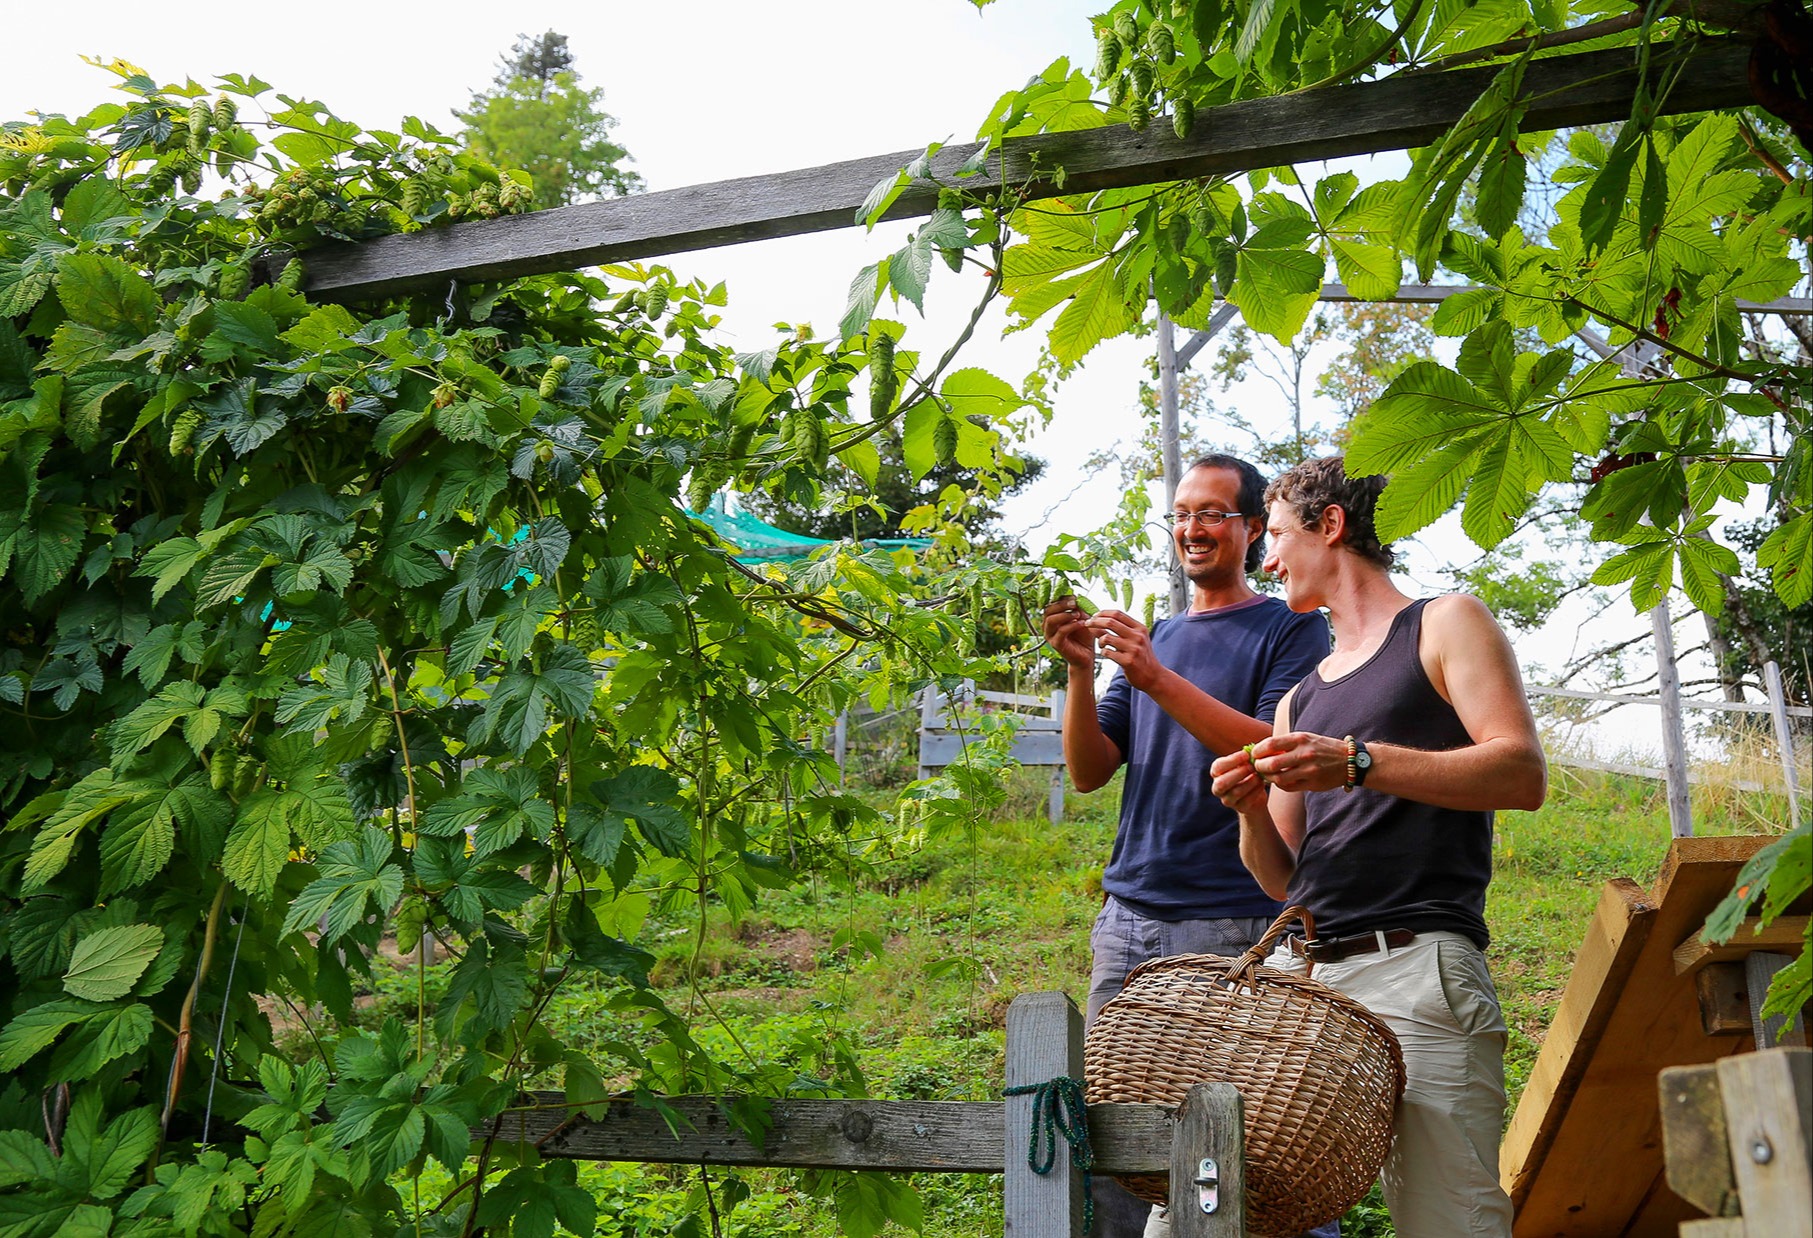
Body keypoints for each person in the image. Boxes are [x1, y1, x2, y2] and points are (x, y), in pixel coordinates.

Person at [1207, 455, 1547, 1238]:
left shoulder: (1445, 621)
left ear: (1329, 525)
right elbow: (1279, 879)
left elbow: (1521, 773)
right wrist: (1249, 811)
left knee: (1449, 1223)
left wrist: (1357, 762)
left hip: (1418, 969)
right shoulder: (1300, 698)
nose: (1266, 560)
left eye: (1276, 535)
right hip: (1303, 977)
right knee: (1205, 1197)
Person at [1042, 454, 1330, 1238]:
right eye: (1179, 514)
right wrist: (1081, 673)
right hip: (1127, 919)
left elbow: (1275, 750)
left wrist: (1152, 675)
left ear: (1250, 529)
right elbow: (1090, 770)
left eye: (1210, 513)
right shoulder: (1160, 637)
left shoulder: (1289, 628)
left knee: (1249, 1144)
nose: (1190, 529)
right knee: (1111, 1138)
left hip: (1233, 920)